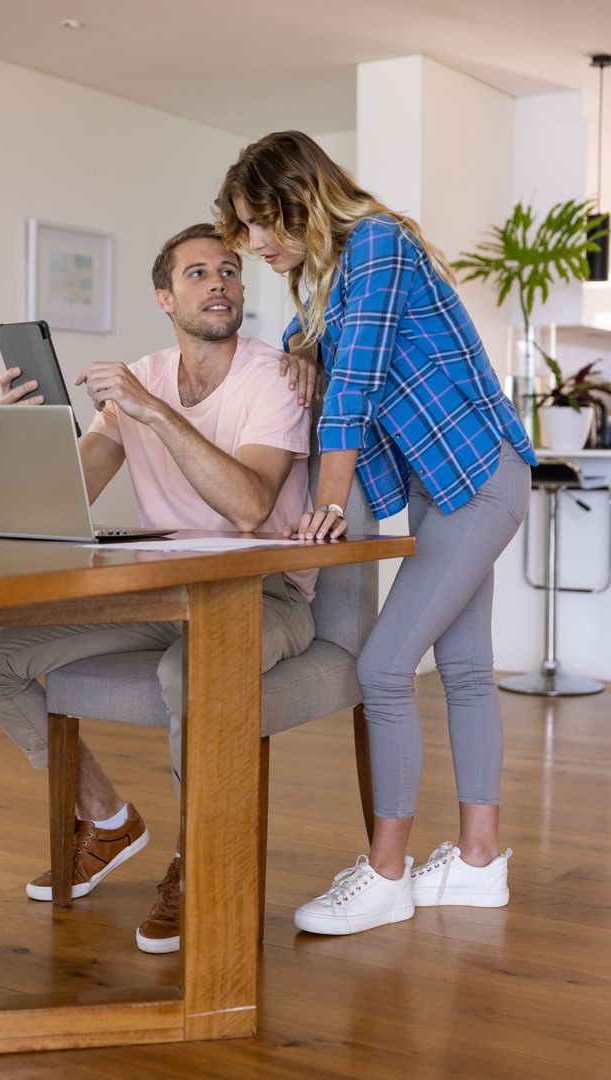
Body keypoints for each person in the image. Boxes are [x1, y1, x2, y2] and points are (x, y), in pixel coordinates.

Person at [0, 223, 316, 953]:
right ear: (164, 296)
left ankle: (196, 861)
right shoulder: (142, 378)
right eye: (196, 273)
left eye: (228, 271)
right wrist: (27, 434)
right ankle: (110, 819)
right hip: (162, 593)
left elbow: (249, 505)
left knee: (190, 671)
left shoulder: (275, 377)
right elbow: (68, 494)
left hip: (264, 592)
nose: (217, 283)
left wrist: (156, 412)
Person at [215, 131, 536, 936]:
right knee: (463, 668)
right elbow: (325, 351)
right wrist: (297, 351)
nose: (253, 245)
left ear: (300, 198)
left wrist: (325, 502)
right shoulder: (335, 280)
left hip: (478, 474)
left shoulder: (380, 244)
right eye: (243, 231)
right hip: (442, 486)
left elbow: (354, 380)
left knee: (386, 666)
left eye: (260, 223)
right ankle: (478, 861)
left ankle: (388, 874)